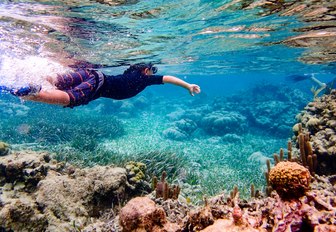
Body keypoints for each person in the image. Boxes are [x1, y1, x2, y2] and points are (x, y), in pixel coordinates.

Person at [11, 63, 201, 108]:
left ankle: (28, 79)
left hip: (94, 76)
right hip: (99, 83)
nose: (155, 72)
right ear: (145, 70)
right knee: (69, 98)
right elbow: (168, 78)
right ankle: (30, 93)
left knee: (59, 81)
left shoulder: (130, 75)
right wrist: (187, 86)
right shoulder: (144, 78)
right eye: (152, 69)